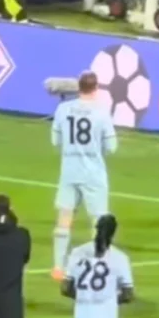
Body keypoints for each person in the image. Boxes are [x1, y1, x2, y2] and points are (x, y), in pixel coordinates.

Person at [50, 75, 118, 279]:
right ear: (96, 88)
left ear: (78, 87)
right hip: (93, 173)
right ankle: (98, 263)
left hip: (69, 171)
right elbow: (111, 147)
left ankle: (57, 267)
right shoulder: (101, 111)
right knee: (98, 220)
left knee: (64, 217)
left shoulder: (63, 109)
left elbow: (55, 140)